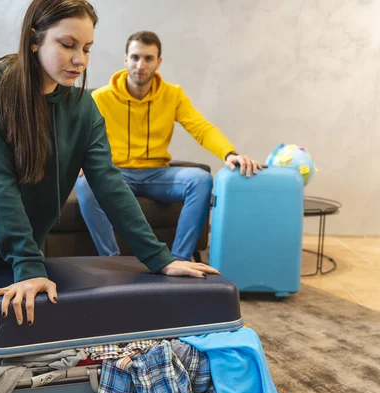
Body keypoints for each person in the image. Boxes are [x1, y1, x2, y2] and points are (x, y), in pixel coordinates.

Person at [0, 1, 219, 369]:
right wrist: (29, 266)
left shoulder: (84, 109)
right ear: (35, 39)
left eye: (86, 49)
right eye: (68, 45)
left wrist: (160, 258)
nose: (80, 60)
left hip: (13, 247)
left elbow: (110, 186)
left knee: (27, 341)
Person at [75, 31, 262, 262]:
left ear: (158, 62)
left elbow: (201, 128)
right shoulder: (101, 98)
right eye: (134, 57)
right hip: (116, 173)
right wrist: (79, 161)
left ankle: (178, 261)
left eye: (148, 58)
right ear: (125, 59)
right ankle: (112, 259)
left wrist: (230, 153)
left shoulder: (173, 95)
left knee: (201, 179)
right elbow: (79, 135)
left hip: (157, 174)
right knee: (85, 185)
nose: (140, 65)